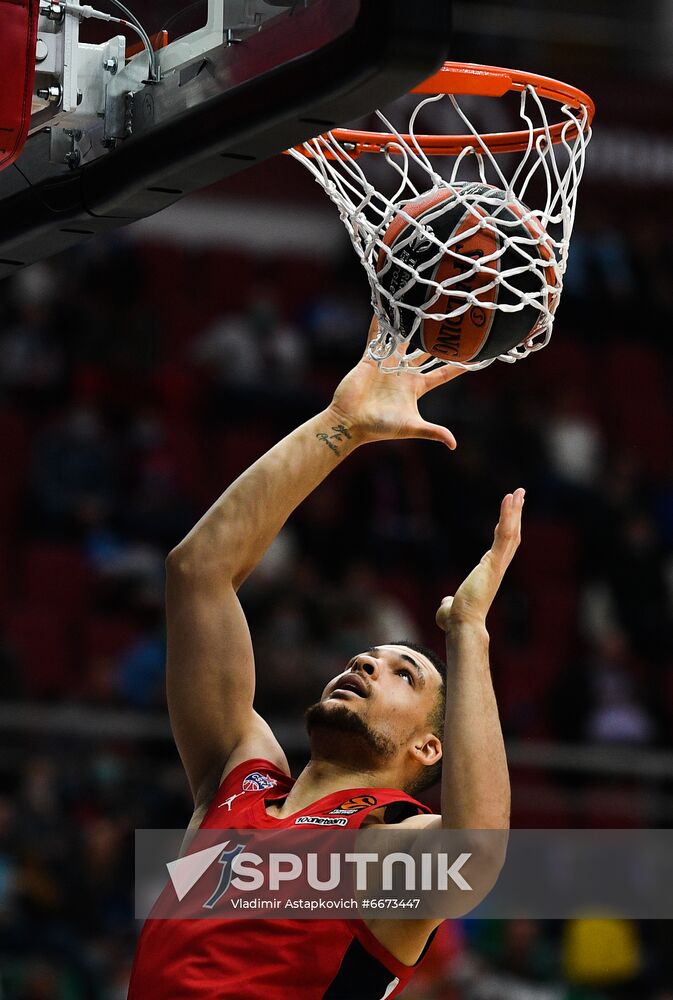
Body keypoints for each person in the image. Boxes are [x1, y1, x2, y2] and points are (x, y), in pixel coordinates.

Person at [128, 321, 524, 999]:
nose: (368, 663)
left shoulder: (384, 840)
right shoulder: (238, 781)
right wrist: (341, 425)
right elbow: (198, 573)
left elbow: (473, 854)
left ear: (431, 747)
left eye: (403, 672)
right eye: (368, 656)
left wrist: (467, 632)